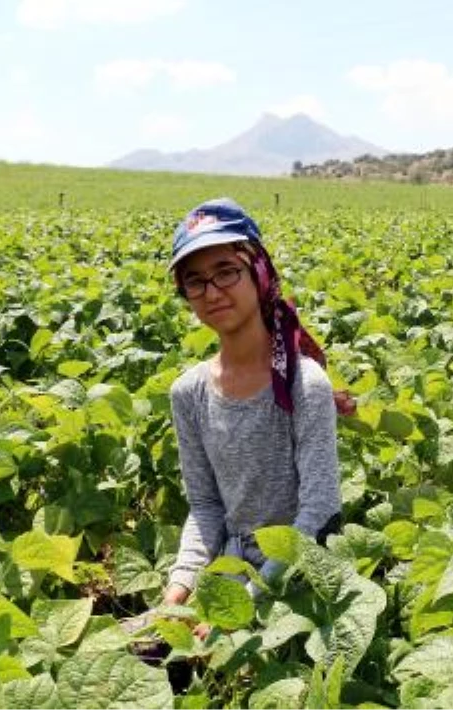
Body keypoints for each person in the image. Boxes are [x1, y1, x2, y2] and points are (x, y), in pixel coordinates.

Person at [161, 197, 348, 609]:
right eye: (195, 281)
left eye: (226, 272)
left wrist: (250, 603)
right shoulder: (188, 393)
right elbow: (206, 507)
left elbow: (319, 512)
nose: (212, 292)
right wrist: (177, 590)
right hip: (232, 575)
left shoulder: (304, 385)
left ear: (259, 272)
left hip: (301, 580)